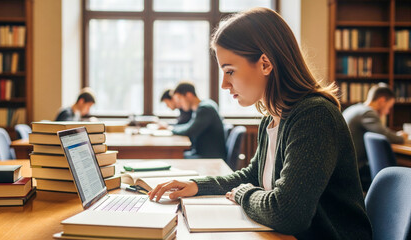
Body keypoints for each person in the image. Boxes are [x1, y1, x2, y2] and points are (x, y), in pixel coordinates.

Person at [149, 8, 372, 239]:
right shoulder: (272, 116)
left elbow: (287, 213)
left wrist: (243, 194)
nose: (224, 84)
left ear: (265, 64)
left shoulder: (314, 115)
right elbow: (253, 175)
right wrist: (197, 186)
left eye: (230, 71)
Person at [343, 83, 408, 190]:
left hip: (346, 165)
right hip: (356, 169)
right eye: (389, 107)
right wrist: (402, 137)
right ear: (382, 100)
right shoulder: (367, 112)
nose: (387, 112)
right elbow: (385, 134)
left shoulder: (355, 108)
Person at [171, 82, 226, 159]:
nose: (179, 104)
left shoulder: (204, 109)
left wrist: (171, 129)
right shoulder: (202, 106)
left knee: (173, 157)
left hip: (209, 157)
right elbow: (189, 126)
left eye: (179, 99)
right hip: (204, 154)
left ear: (189, 95)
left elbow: (190, 130)